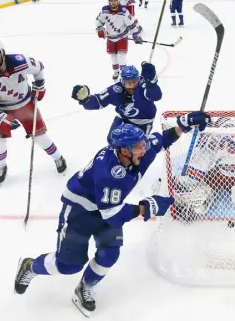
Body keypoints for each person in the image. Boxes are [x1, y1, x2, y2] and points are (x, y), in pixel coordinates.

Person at [13, 112, 211, 317]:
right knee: (68, 265)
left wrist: (183, 124)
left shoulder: (134, 150)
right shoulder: (109, 172)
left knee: (109, 254)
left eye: (143, 145)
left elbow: (162, 139)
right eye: (138, 147)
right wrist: (146, 207)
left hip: (108, 207)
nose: (143, 150)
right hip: (79, 212)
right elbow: (113, 216)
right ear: (124, 151)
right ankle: (30, 266)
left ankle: (84, 287)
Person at [0, 39, 66, 184]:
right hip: (2, 108)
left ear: (2, 52)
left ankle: (58, 157)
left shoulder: (21, 61)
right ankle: (1, 167)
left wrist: (39, 84)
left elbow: (39, 68)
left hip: (25, 104)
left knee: (39, 136)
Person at [71, 62, 161, 139]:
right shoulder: (116, 90)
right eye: (128, 83)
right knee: (112, 140)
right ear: (122, 82)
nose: (132, 86)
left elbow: (156, 96)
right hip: (124, 118)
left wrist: (152, 83)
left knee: (136, 148)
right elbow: (97, 102)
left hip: (143, 123)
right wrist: (85, 99)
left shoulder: (143, 85)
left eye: (134, 81)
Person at [95, 0, 143, 80]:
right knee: (113, 55)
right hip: (110, 37)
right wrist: (100, 29)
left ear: (118, 1)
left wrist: (136, 35)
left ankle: (123, 72)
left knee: (121, 55)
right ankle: (116, 71)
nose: (113, 2)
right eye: (111, 1)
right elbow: (98, 21)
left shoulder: (124, 11)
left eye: (115, 0)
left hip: (122, 37)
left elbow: (132, 24)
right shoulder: (104, 10)